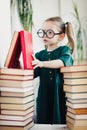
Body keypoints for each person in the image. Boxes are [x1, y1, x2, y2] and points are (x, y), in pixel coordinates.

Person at [32, 16, 75, 124]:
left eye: (50, 32)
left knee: (59, 120)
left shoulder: (64, 50)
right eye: (43, 32)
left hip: (59, 95)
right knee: (43, 119)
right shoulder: (39, 55)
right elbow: (32, 73)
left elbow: (62, 62)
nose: (45, 35)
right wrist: (21, 65)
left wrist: (42, 64)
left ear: (61, 36)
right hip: (44, 96)